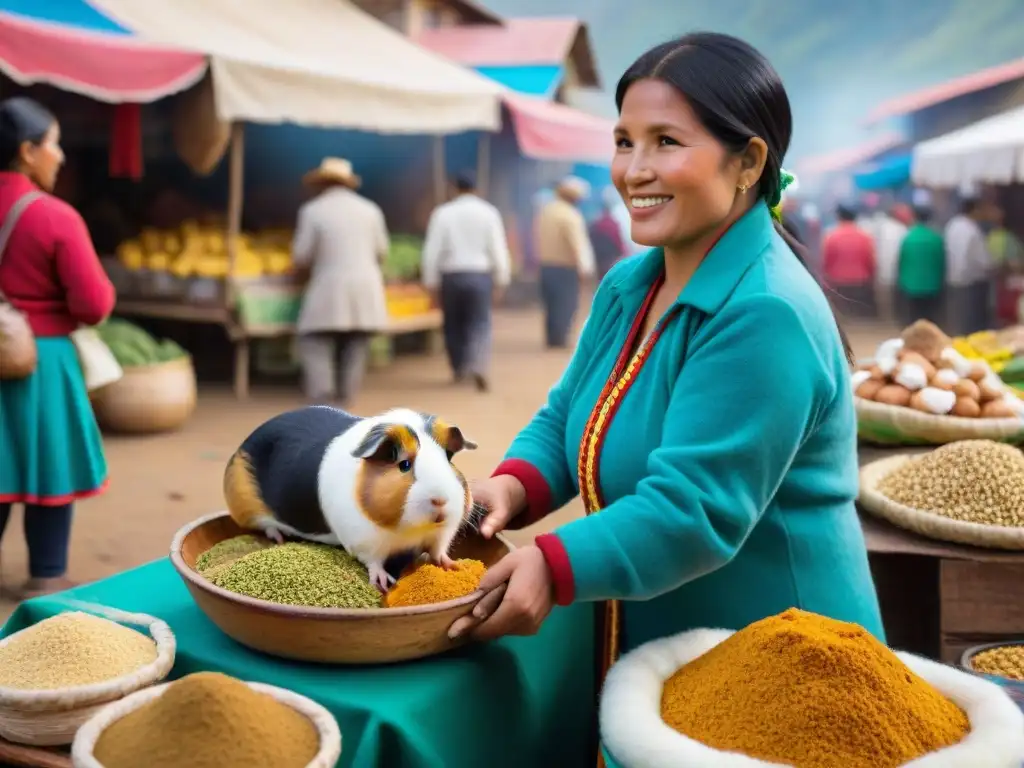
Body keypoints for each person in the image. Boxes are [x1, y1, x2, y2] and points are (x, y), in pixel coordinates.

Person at [450, 32, 883, 732]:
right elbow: (570, 417)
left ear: (747, 162)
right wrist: (510, 489)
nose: (634, 171)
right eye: (624, 142)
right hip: (667, 640)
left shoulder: (764, 311)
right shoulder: (631, 283)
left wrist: (550, 564)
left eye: (665, 142)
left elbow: (693, 512)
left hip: (783, 663)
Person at [0, 97, 115, 599]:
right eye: (54, 144)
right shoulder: (54, 216)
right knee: (49, 459)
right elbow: (93, 304)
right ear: (28, 151)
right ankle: (46, 572)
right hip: (40, 359)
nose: (61, 156)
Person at [292, 157, 389, 406]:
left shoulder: (312, 211)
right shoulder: (371, 210)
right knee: (355, 344)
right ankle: (346, 397)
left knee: (314, 341)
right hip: (365, 289)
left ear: (321, 183)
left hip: (328, 288)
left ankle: (322, 396)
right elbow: (382, 252)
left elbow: (301, 256)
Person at [421, 171, 511, 392]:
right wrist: (502, 278)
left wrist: (430, 282)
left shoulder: (442, 213)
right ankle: (478, 365)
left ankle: (460, 368)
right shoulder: (489, 212)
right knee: (480, 323)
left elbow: (432, 251)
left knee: (453, 324)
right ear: (476, 189)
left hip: (451, 277)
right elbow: (497, 248)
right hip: (480, 275)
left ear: (454, 189)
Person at [534, 176, 596, 348]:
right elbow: (578, 246)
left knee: (551, 305)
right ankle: (559, 340)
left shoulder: (546, 211)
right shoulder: (571, 215)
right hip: (565, 268)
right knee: (565, 304)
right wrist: (585, 270)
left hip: (546, 266)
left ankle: (552, 338)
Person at [943, 196, 993, 336]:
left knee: (959, 317)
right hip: (972, 281)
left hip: (953, 279)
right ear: (974, 210)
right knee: (972, 321)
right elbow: (983, 260)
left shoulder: (951, 226)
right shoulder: (972, 230)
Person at [821, 204, 876, 318]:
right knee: (858, 315)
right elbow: (870, 261)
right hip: (860, 281)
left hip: (838, 282)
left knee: (843, 316)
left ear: (839, 217)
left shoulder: (831, 236)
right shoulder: (865, 237)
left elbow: (827, 261)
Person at [896, 205, 945, 326]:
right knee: (929, 318)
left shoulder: (909, 238)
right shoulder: (936, 238)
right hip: (932, 286)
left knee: (913, 318)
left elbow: (901, 262)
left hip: (911, 285)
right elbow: (942, 262)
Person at [987, 204, 1024, 326]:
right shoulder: (1009, 238)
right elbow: (1015, 263)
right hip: (1007, 281)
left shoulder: (991, 236)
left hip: (997, 280)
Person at [871, 204, 908, 325]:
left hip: (883, 268)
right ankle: (893, 319)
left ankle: (885, 319)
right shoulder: (903, 229)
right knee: (895, 298)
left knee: (884, 298)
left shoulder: (881, 228)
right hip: (899, 271)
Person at [587, 190, 627, 280]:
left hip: (598, 260)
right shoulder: (613, 224)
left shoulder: (596, 223)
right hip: (610, 260)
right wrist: (624, 253)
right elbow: (619, 242)